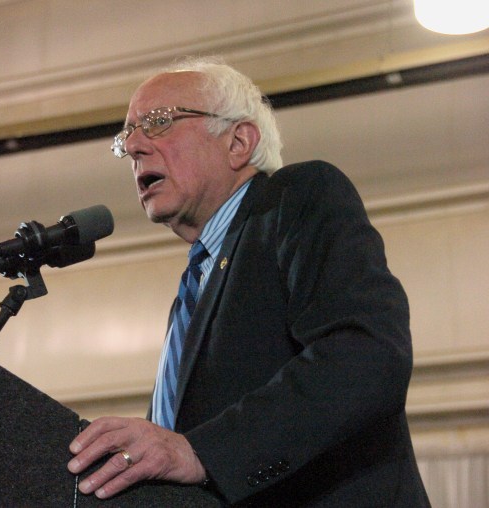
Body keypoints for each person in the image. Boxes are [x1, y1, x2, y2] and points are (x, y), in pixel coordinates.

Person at [67, 57, 430, 506]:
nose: (136, 145)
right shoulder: (193, 291)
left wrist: (201, 451)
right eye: (127, 137)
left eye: (158, 122)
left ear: (239, 141)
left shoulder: (298, 197)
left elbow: (366, 354)